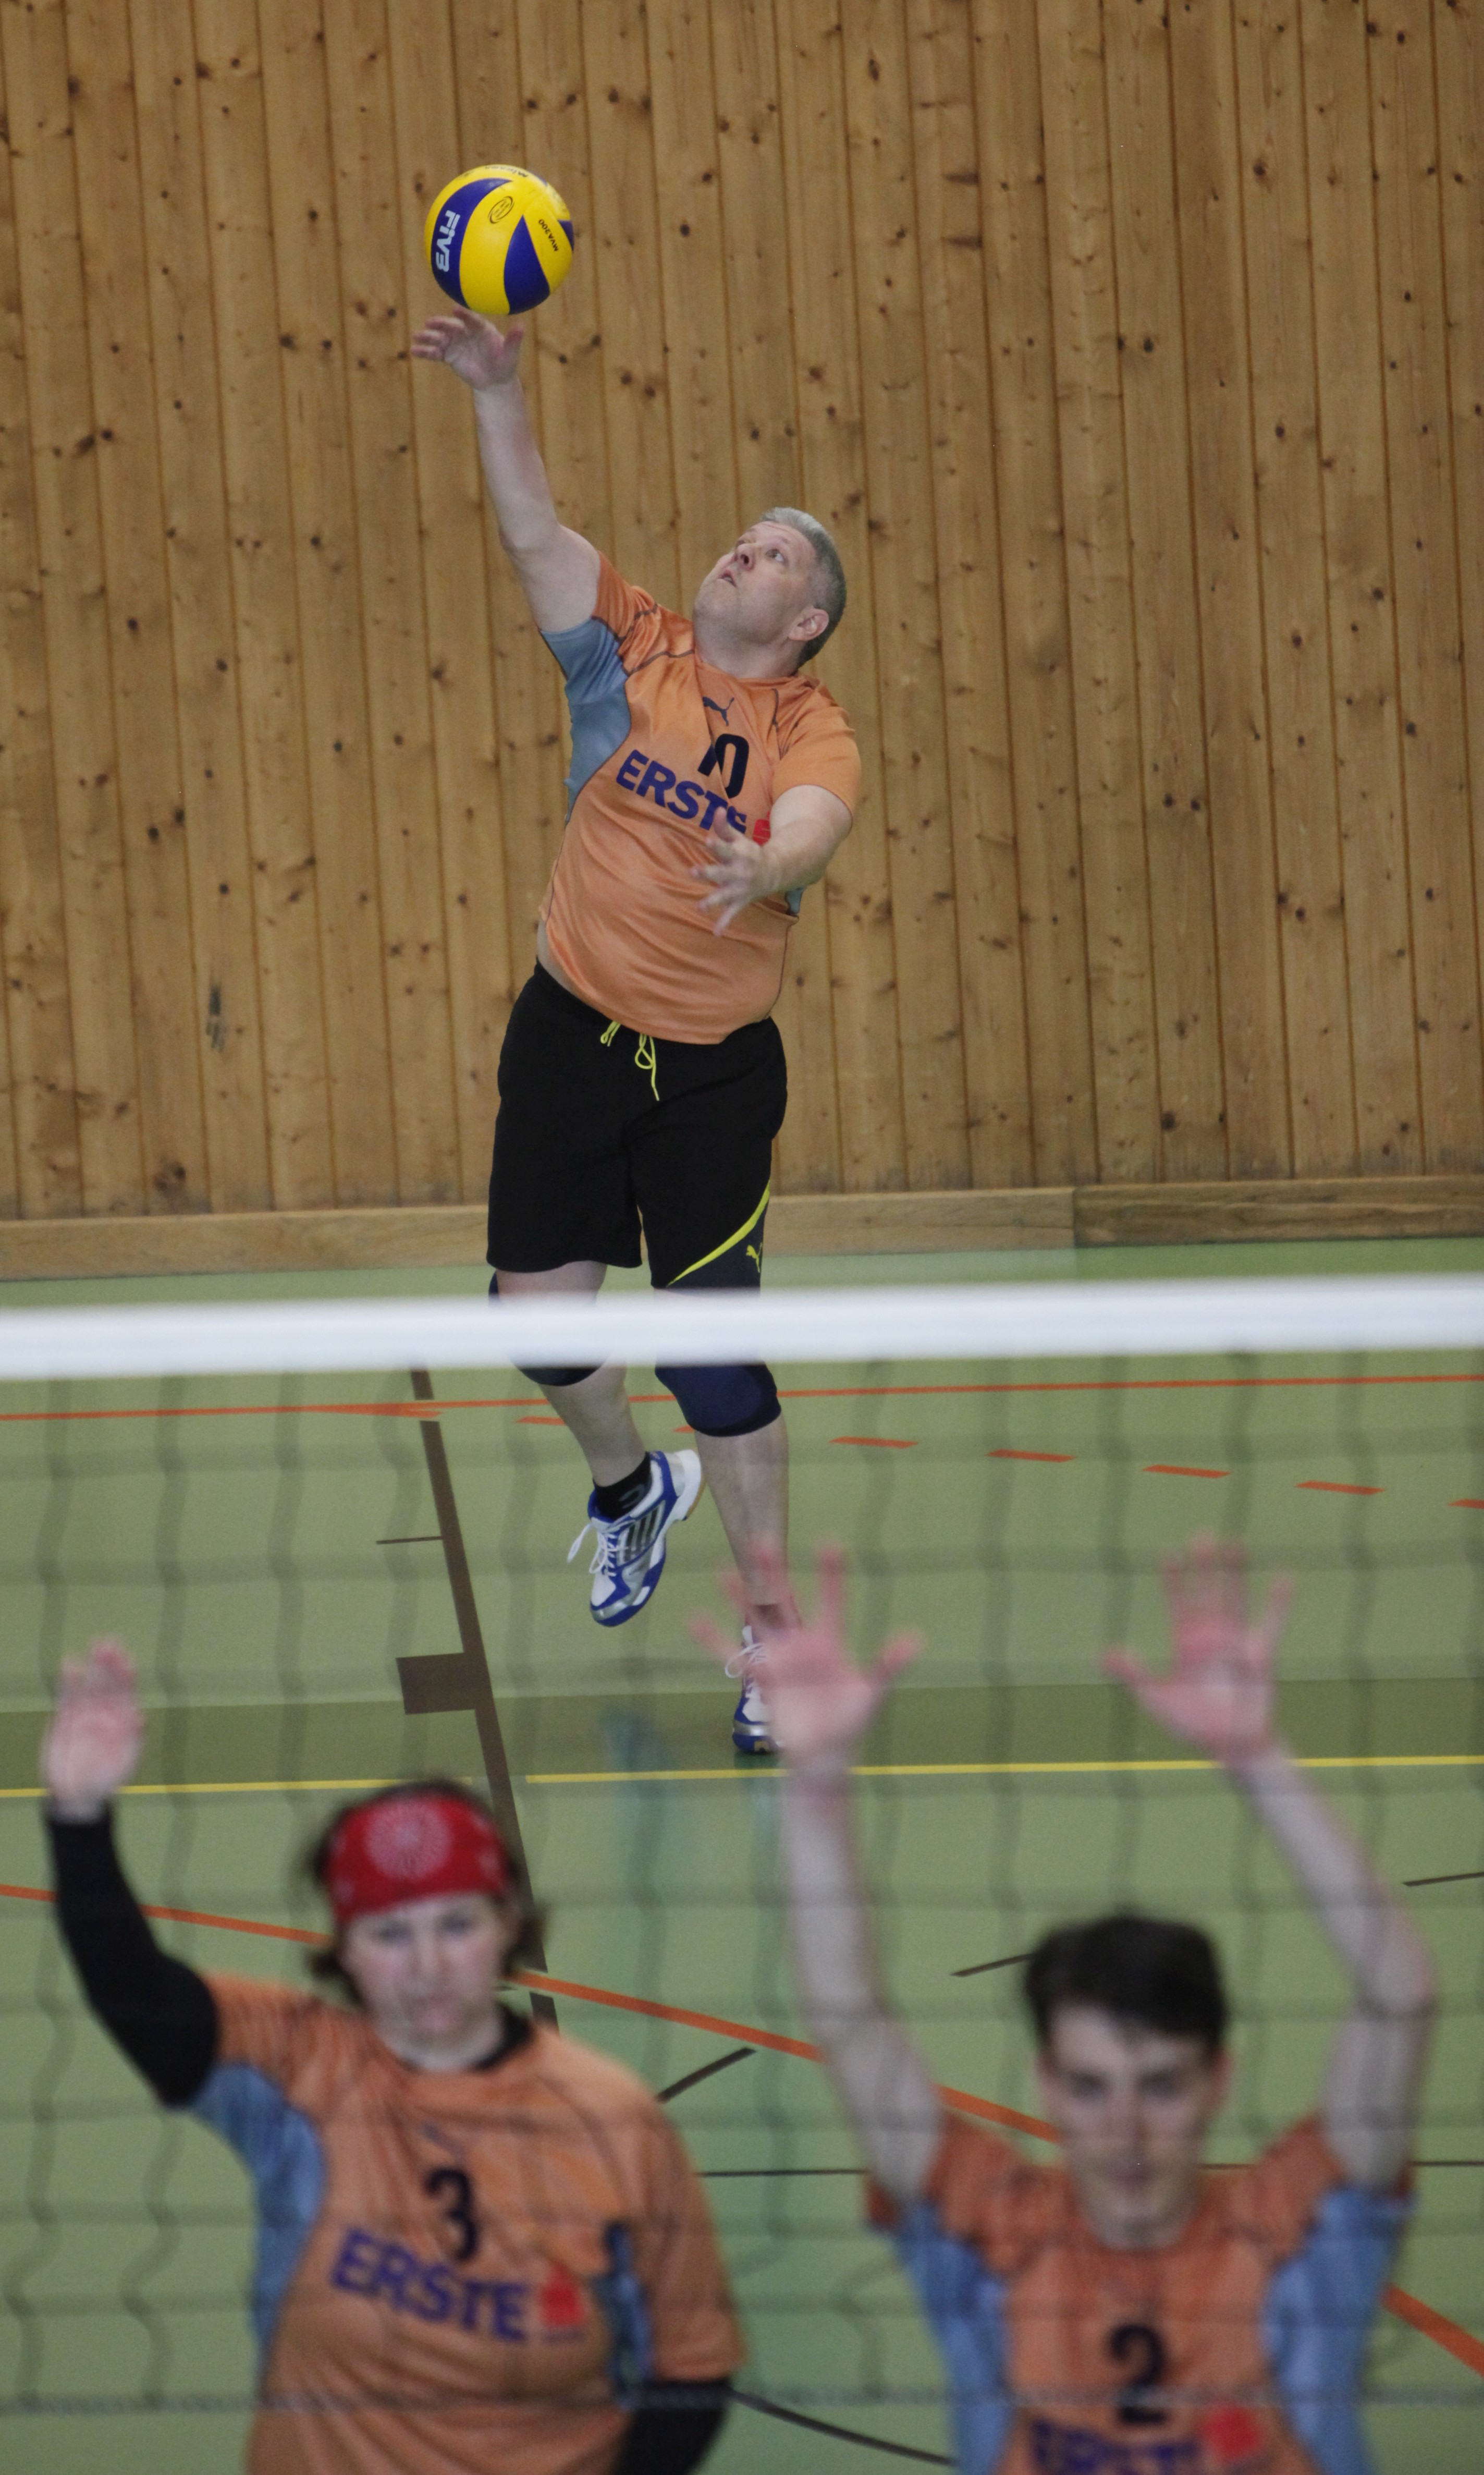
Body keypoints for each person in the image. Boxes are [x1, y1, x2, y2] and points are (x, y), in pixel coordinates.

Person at [700, 1537, 1436, 2475]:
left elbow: (1401, 1998)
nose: (1126, 2130)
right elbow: (848, 2020)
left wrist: (1260, 1759)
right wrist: (815, 1783)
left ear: (1218, 2081)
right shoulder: (991, 2234)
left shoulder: (1296, 2235)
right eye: (1091, 2087)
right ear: (1045, 2082)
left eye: (1161, 2085)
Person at [411, 301, 862, 1755]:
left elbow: (817, 820)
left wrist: (772, 865)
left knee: (712, 1356)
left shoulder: (809, 728)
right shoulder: (634, 646)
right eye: (746, 537)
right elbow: (532, 531)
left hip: (712, 1080)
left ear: (804, 621)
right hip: (571, 1034)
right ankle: (627, 1486)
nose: (746, 551)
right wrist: (496, 390)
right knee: (533, 1322)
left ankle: (778, 1640)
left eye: (777, 555)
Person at [42, 1638, 739, 2475]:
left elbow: (694, 2371)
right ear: (344, 1950)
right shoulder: (299, 2065)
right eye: (390, 1934)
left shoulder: (611, 2120)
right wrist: (79, 1821)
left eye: (457, 1924)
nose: (428, 1966)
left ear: (509, 1924)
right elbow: (141, 2002)